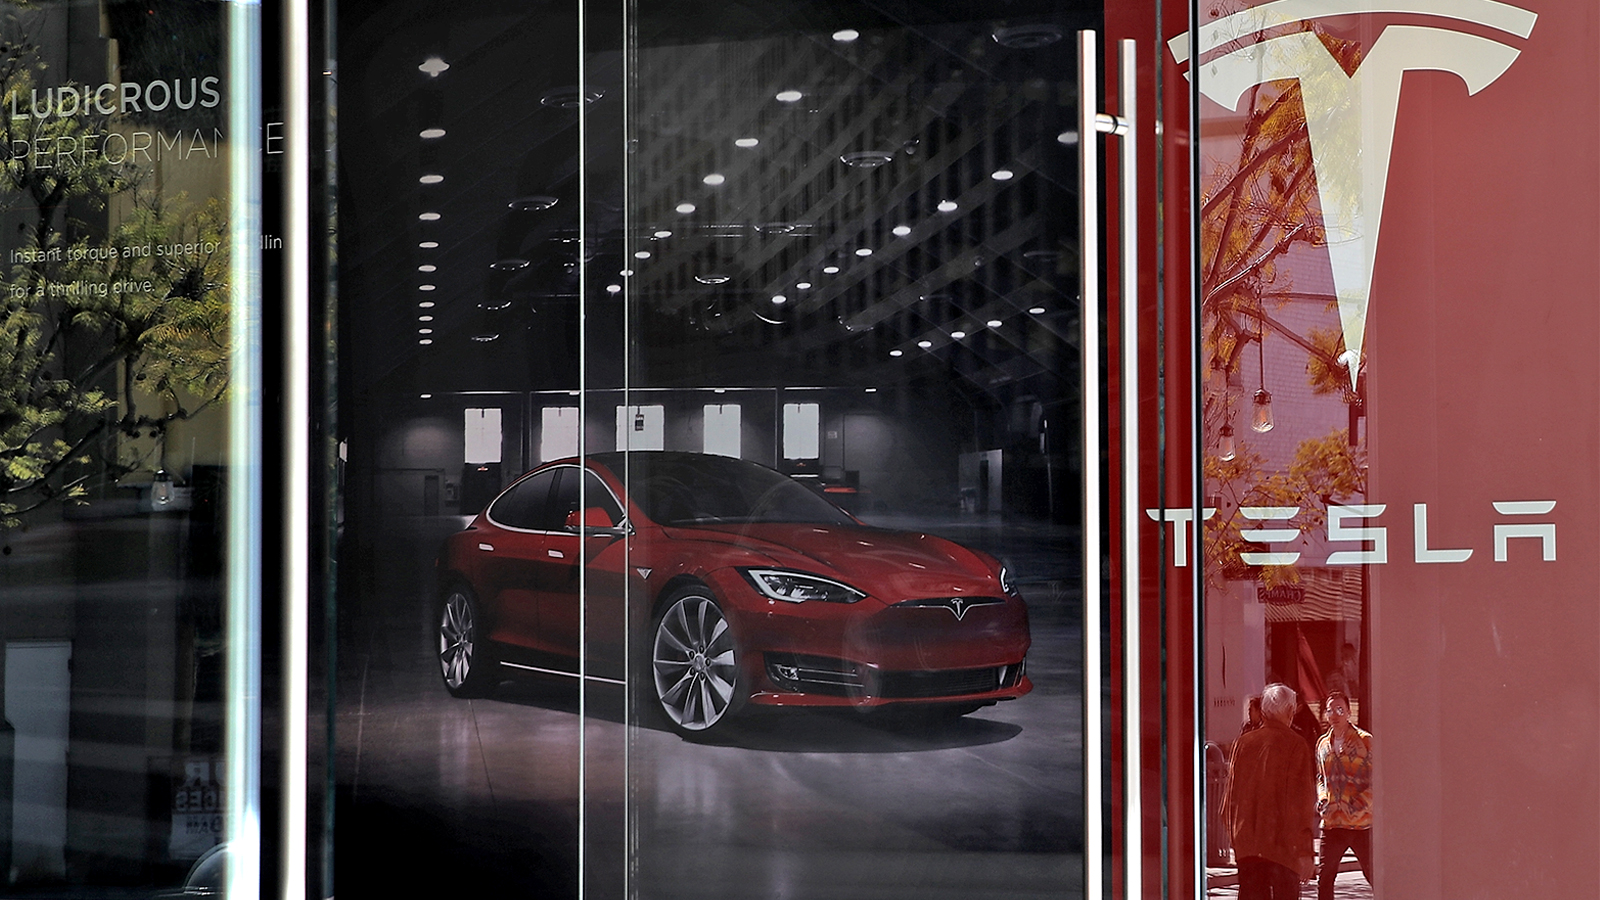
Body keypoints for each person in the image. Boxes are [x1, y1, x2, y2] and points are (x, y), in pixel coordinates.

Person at [1224, 683, 1316, 900]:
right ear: (1290, 712)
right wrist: (1304, 852)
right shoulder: (1296, 745)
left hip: (1248, 848)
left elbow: (1230, 799)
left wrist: (1237, 838)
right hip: (1282, 850)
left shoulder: (1243, 743)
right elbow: (1300, 803)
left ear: (1264, 712)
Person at [1316, 690, 1373, 900]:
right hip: (1332, 824)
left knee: (1374, 875)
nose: (1334, 714)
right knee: (1324, 879)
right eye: (1329, 710)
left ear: (1349, 712)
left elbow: (1376, 781)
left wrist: (1357, 804)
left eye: (1340, 709)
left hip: (1361, 824)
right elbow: (1321, 777)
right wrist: (1322, 800)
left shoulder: (1365, 742)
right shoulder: (1322, 744)